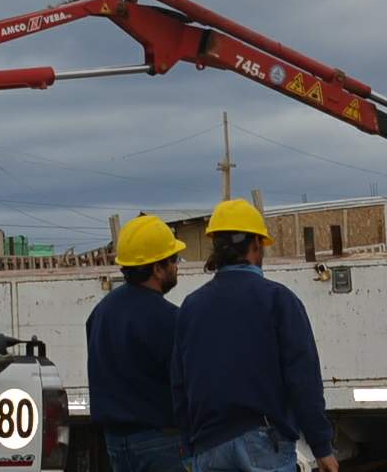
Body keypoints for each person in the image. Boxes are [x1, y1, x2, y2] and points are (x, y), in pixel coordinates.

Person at [171, 199, 337, 472]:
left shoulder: (191, 307)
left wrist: (189, 448)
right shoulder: (279, 300)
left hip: (209, 446)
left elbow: (180, 386)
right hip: (263, 441)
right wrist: (321, 447)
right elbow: (303, 380)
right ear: (256, 245)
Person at [87, 215, 188, 472]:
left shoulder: (101, 312)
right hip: (161, 441)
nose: (177, 266)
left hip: (116, 443)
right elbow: (186, 383)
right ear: (156, 268)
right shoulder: (168, 318)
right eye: (173, 260)